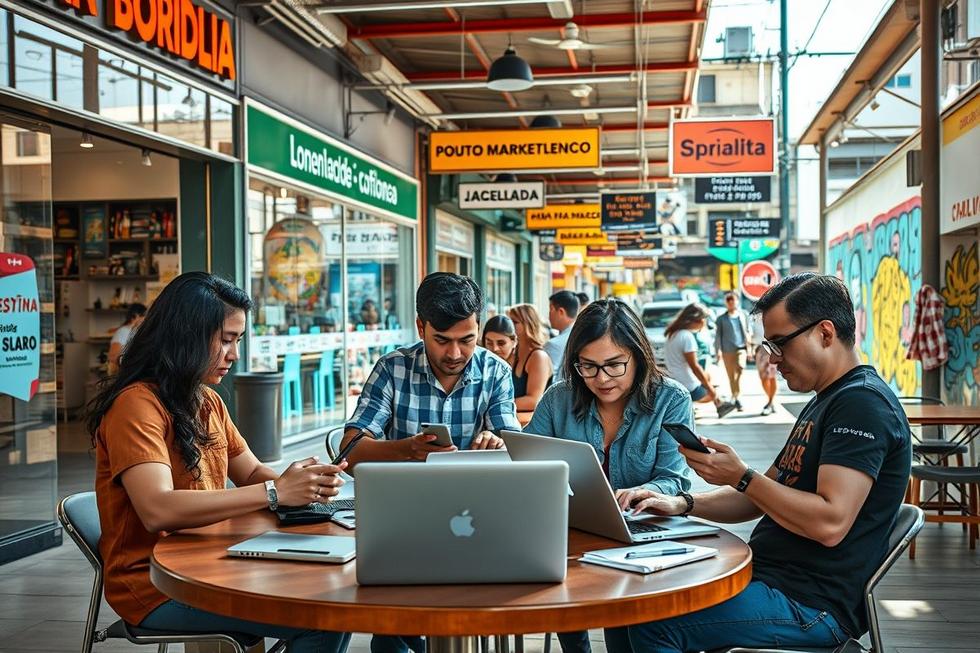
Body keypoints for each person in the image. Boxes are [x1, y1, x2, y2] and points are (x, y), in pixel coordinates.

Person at [615, 273, 912, 653]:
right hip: (767, 579)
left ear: (825, 333)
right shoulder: (827, 399)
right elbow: (761, 494)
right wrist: (683, 504)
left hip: (810, 605)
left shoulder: (862, 405)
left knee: (655, 622)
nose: (772, 359)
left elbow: (829, 523)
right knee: (634, 603)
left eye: (780, 344)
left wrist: (741, 476)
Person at [88, 272, 350, 653]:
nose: (235, 354)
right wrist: (277, 491)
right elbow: (157, 509)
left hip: (211, 561)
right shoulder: (136, 405)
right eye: (226, 340)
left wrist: (302, 481)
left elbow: (251, 472)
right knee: (323, 617)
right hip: (156, 583)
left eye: (238, 340)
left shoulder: (207, 401)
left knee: (331, 597)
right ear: (186, 335)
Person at [342, 272, 521, 653]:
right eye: (442, 340)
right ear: (421, 326)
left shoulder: (496, 372)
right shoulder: (392, 369)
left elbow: (515, 448)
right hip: (401, 521)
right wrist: (407, 449)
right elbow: (351, 450)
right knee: (395, 621)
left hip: (478, 520)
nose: (455, 354)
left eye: (467, 340)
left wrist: (498, 441)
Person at [525, 299, 693, 653]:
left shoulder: (670, 399)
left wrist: (646, 491)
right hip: (570, 535)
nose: (601, 379)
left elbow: (673, 479)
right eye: (588, 366)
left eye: (614, 365)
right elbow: (526, 466)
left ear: (638, 356)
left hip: (641, 535)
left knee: (627, 632)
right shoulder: (559, 398)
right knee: (561, 595)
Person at [664, 303, 735, 418]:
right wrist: (711, 389)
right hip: (689, 387)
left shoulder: (672, 334)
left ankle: (719, 404)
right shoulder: (687, 337)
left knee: (707, 377)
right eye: (704, 319)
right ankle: (718, 402)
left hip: (675, 381)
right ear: (698, 320)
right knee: (711, 390)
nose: (705, 322)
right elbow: (695, 367)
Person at [506, 304, 553, 412]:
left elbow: (533, 401)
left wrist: (499, 404)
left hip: (532, 424)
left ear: (529, 324)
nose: (509, 326)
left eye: (514, 322)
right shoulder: (513, 353)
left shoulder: (538, 356)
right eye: (509, 322)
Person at [714, 292, 749, 410]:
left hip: (741, 348)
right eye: (728, 301)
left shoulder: (743, 315)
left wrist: (749, 349)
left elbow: (747, 332)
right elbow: (718, 336)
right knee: (731, 376)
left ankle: (736, 395)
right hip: (727, 350)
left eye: (733, 300)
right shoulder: (721, 319)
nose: (731, 303)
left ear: (737, 301)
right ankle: (736, 398)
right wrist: (717, 351)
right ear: (726, 303)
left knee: (740, 367)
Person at [543, 290, 580, 376]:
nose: (548, 315)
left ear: (561, 311)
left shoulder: (553, 344)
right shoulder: (582, 334)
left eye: (550, 309)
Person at [750, 311, 779, 415]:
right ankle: (770, 401)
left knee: (771, 376)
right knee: (763, 377)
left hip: (771, 348)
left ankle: (770, 402)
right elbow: (750, 334)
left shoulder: (773, 315)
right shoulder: (754, 318)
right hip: (760, 349)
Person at [107, 302, 146, 375]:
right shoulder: (123, 331)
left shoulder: (135, 331)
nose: (145, 319)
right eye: (144, 316)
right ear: (136, 316)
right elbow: (112, 357)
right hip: (121, 375)